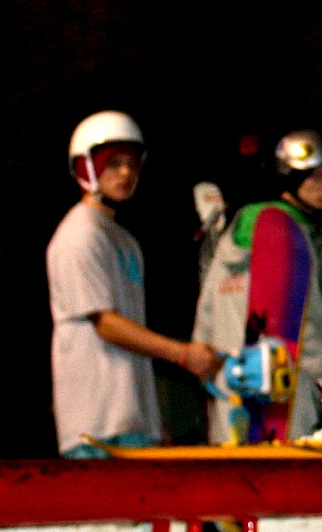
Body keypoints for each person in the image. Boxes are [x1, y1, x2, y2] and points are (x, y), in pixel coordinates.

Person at [46, 112, 219, 455]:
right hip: (96, 425)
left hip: (131, 423)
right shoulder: (79, 235)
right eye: (113, 163)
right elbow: (106, 324)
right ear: (87, 168)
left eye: (131, 163)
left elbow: (131, 331)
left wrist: (154, 420)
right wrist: (183, 354)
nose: (125, 173)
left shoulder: (121, 239)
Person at [193, 131, 322, 443]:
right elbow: (304, 333)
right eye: (315, 178)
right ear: (290, 178)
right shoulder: (291, 236)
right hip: (284, 409)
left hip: (228, 406)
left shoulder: (229, 240)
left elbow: (204, 323)